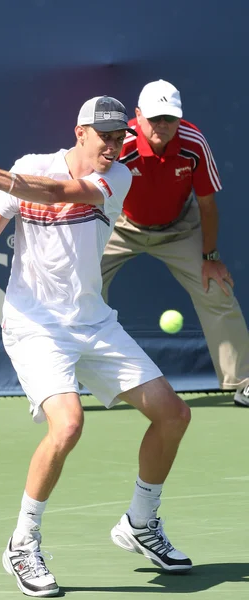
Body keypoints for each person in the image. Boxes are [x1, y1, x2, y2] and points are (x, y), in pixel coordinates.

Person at [0, 95, 192, 598]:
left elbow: (64, 191)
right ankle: (22, 542)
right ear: (79, 131)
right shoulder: (28, 166)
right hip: (34, 326)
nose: (113, 143)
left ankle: (140, 523)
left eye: (119, 135)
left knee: (173, 414)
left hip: (93, 323)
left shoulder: (117, 178)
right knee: (68, 423)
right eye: (103, 134)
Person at [101, 80, 249, 408]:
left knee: (217, 288)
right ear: (137, 117)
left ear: (180, 119)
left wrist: (210, 256)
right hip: (121, 226)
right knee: (82, 288)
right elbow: (89, 190)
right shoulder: (119, 147)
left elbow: (207, 205)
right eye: (155, 119)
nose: (162, 126)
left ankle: (243, 382)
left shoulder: (193, 143)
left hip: (180, 227)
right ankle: (82, 383)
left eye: (169, 118)